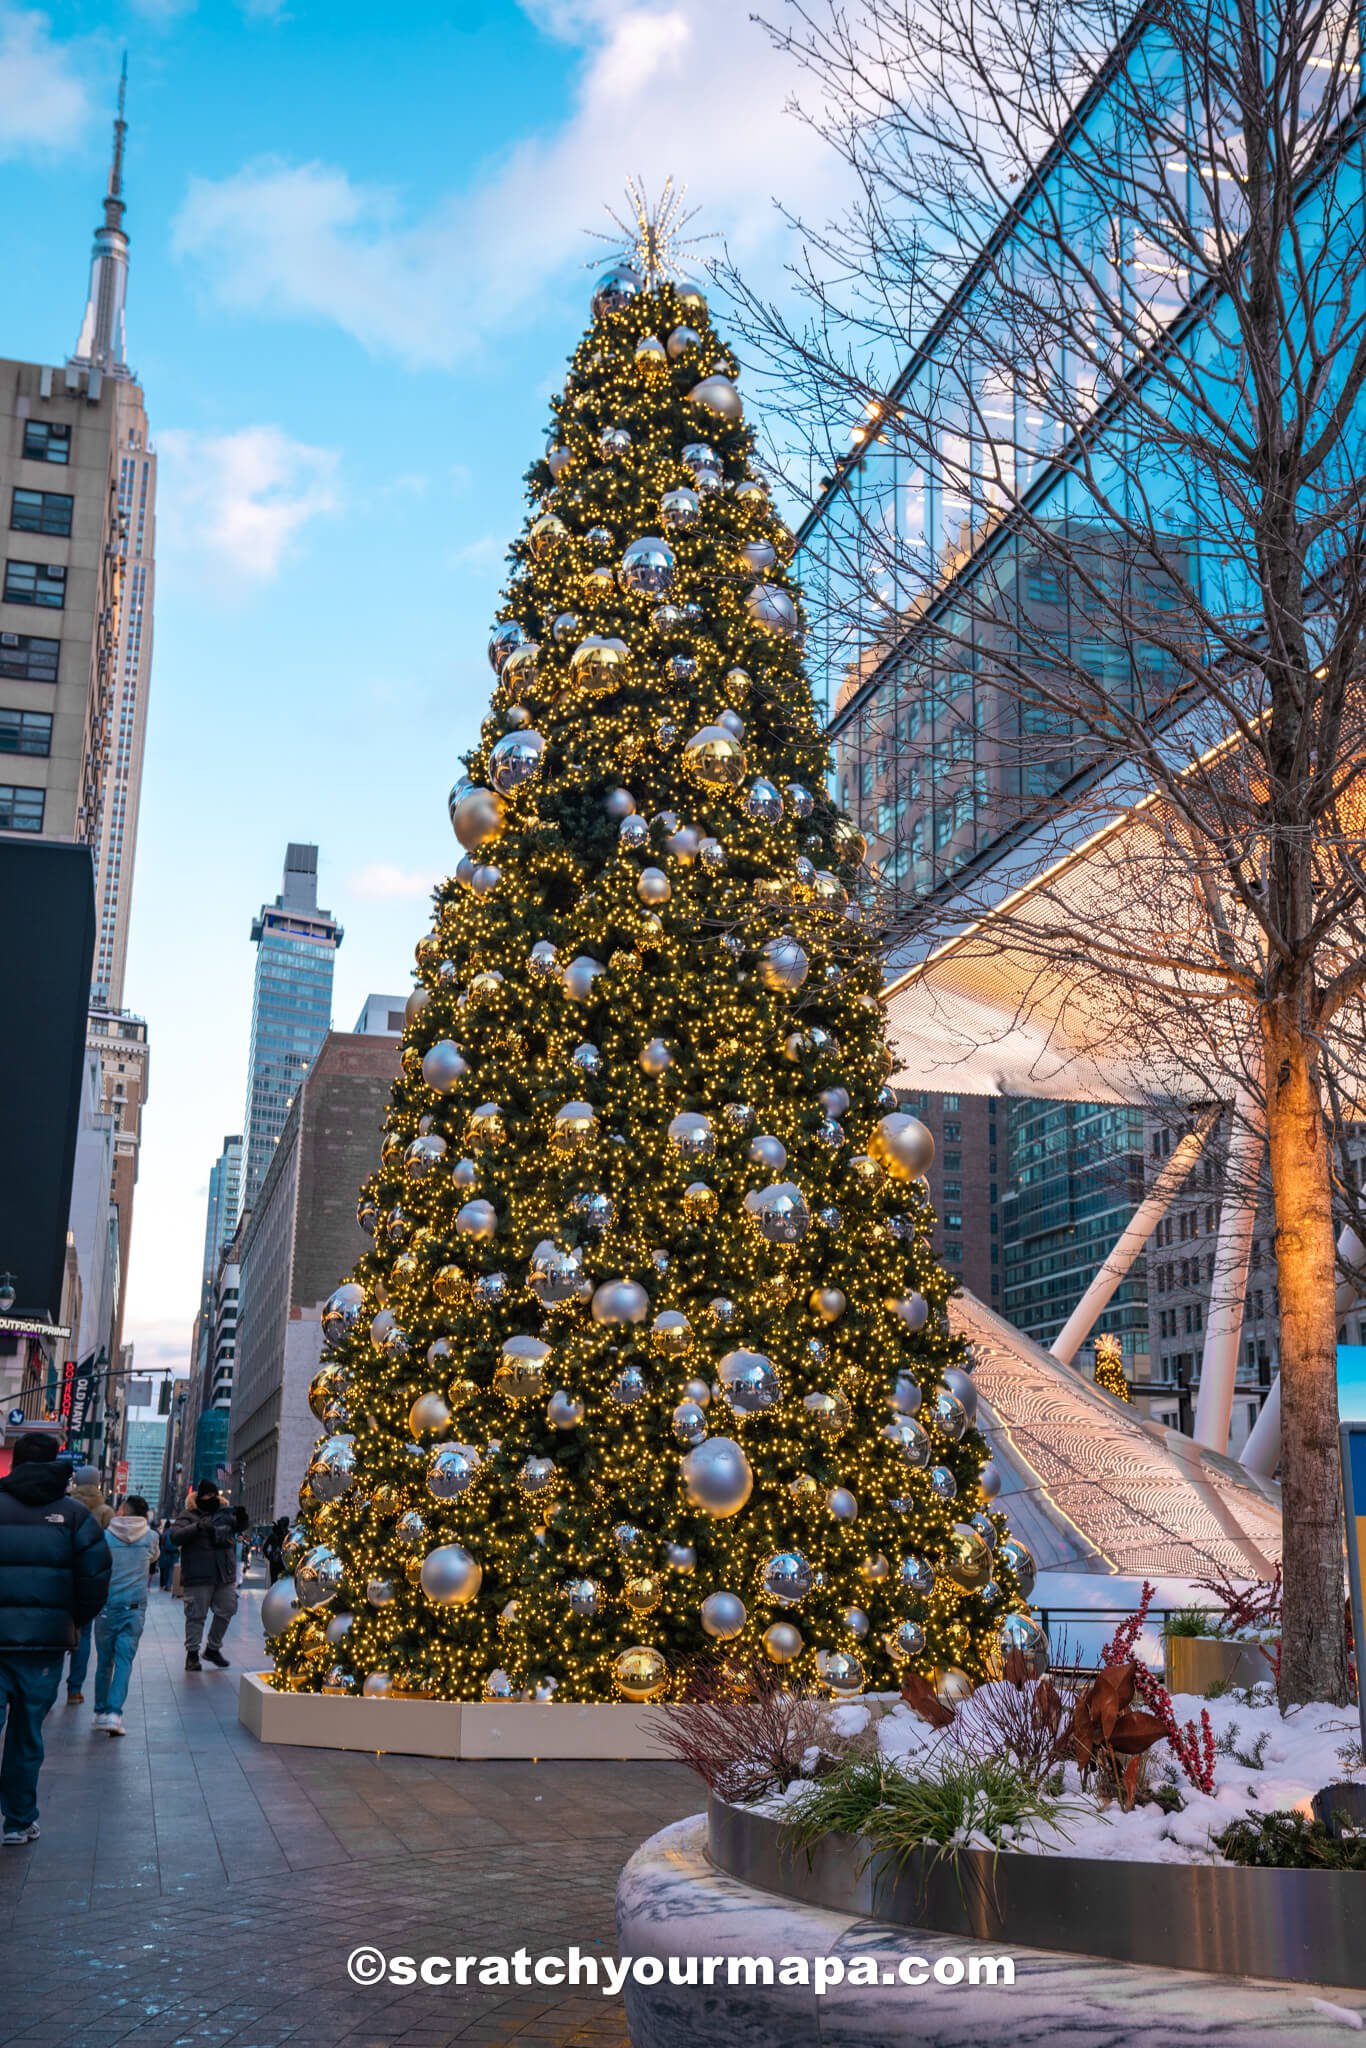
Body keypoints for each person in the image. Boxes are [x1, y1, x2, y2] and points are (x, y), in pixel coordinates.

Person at [0, 1434, 110, 1844]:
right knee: (27, 1735)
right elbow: (96, 1581)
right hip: (44, 1647)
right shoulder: (75, 1516)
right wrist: (70, 1621)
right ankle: (17, 1820)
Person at [92, 1496, 159, 1736]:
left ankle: (99, 1711)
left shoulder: (105, 1536)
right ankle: (114, 1713)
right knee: (124, 1661)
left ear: (122, 1510)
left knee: (104, 1662)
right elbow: (153, 1559)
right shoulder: (151, 1537)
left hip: (107, 1606)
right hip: (134, 1608)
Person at [171, 1481, 249, 1671]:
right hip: (198, 1574)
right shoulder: (188, 1515)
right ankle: (192, 1654)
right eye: (207, 1496)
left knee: (228, 1608)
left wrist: (241, 1518)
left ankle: (213, 1648)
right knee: (196, 1615)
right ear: (199, 1497)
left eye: (214, 1495)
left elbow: (238, 1527)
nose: (211, 1499)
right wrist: (198, 1527)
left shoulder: (223, 1513)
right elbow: (175, 1536)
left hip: (224, 1574)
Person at [63, 1465, 112, 1705]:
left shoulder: (65, 1505)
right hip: (89, 1578)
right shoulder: (104, 1511)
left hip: (62, 1576)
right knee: (84, 1635)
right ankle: (74, 1688)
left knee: (54, 1627)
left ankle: (46, 1683)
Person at [262, 1517, 289, 1584]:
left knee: (273, 1580)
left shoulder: (273, 1534)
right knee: (283, 1581)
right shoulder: (288, 1535)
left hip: (274, 1560)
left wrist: (269, 1557)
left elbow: (264, 1548)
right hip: (283, 1561)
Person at [157, 1516, 178, 1593]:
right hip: (170, 1556)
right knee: (170, 1571)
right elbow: (169, 1545)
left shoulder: (165, 1532)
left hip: (165, 1556)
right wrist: (177, 1548)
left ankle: (166, 1585)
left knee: (167, 1571)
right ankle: (168, 1586)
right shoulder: (169, 1532)